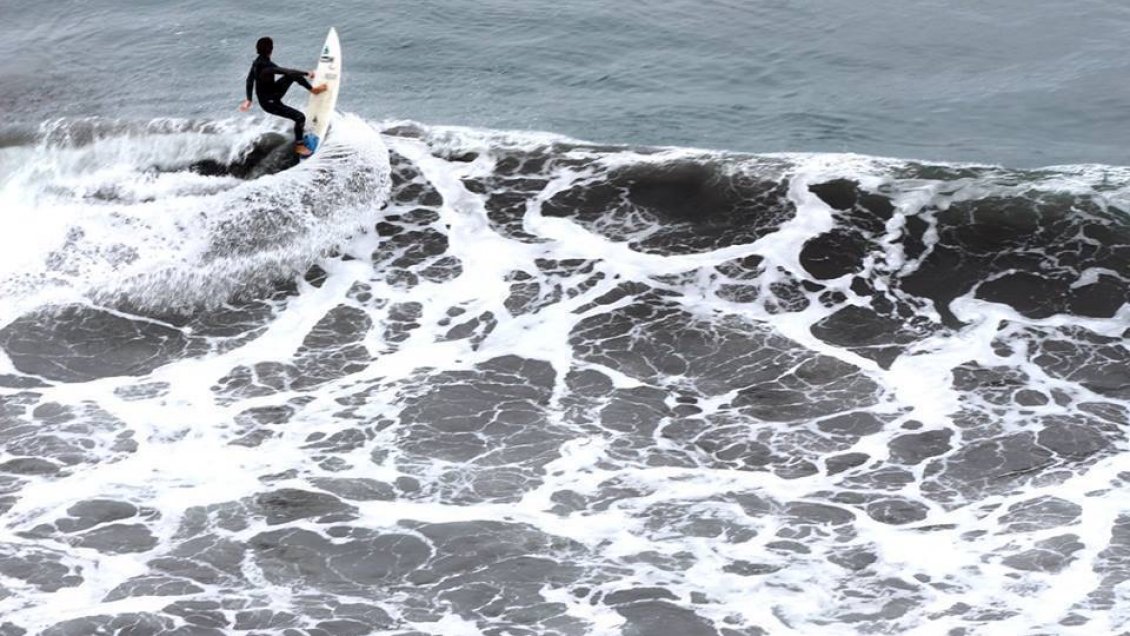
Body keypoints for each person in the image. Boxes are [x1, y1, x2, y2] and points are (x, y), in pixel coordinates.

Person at [240, 36, 327, 157]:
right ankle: (300, 146)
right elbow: (283, 71)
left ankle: (313, 90)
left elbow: (249, 80)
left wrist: (249, 99)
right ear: (272, 49)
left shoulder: (258, 62)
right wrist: (308, 73)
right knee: (300, 117)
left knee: (292, 74)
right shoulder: (266, 66)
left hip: (271, 93)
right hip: (269, 102)